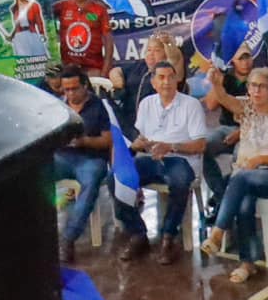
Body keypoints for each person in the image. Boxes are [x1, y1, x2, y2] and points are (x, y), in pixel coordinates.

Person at [199, 66, 268, 284]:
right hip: (247, 176)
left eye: (262, 87)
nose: (256, 91)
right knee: (244, 202)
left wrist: (261, 160)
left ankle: (218, 233)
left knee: (239, 178)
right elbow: (223, 98)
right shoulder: (246, 109)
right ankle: (247, 263)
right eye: (253, 86)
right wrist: (216, 83)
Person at [113, 58, 205, 265]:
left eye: (170, 77)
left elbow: (200, 145)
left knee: (180, 181)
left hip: (181, 159)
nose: (166, 82)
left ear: (177, 80)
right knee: (116, 177)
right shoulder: (147, 104)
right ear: (153, 82)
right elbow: (143, 137)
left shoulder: (191, 105)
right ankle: (138, 234)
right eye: (161, 78)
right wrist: (138, 144)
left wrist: (171, 146)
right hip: (151, 157)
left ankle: (168, 237)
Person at [50, 63, 119, 264]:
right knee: (36, 173)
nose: (70, 93)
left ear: (84, 86)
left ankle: (68, 237)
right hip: (62, 157)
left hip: (91, 158)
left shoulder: (99, 106)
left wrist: (84, 141)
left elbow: (108, 140)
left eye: (74, 88)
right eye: (66, 89)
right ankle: (38, 229)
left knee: (91, 183)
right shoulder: (58, 106)